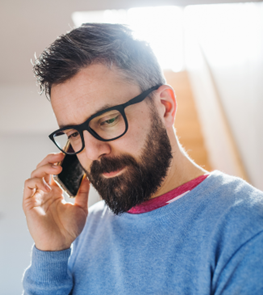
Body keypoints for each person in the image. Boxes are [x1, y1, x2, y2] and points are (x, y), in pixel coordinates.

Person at [22, 23, 263, 294]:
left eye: (108, 120)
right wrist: (51, 252)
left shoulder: (247, 227)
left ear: (165, 107)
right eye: (74, 134)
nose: (92, 152)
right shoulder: (80, 230)